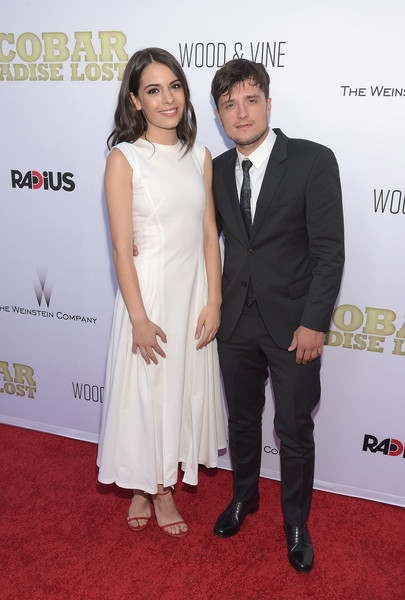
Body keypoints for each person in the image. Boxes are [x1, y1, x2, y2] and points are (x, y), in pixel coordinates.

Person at [210, 59, 344, 571]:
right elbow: (204, 238)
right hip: (235, 323)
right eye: (229, 104)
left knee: (293, 429)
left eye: (251, 100)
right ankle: (244, 497)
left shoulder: (313, 160)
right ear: (219, 114)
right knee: (242, 420)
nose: (241, 113)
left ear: (268, 103)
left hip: (294, 325)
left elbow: (329, 252)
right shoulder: (215, 170)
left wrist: (314, 323)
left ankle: (296, 523)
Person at [97, 47, 227, 539]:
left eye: (174, 86)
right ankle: (150, 487)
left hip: (192, 295)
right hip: (148, 296)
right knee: (147, 393)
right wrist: (138, 317)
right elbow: (120, 249)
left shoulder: (201, 156)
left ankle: (156, 482)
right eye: (153, 90)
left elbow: (209, 235)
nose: (168, 99)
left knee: (179, 392)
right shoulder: (124, 158)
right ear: (135, 101)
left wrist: (214, 300)